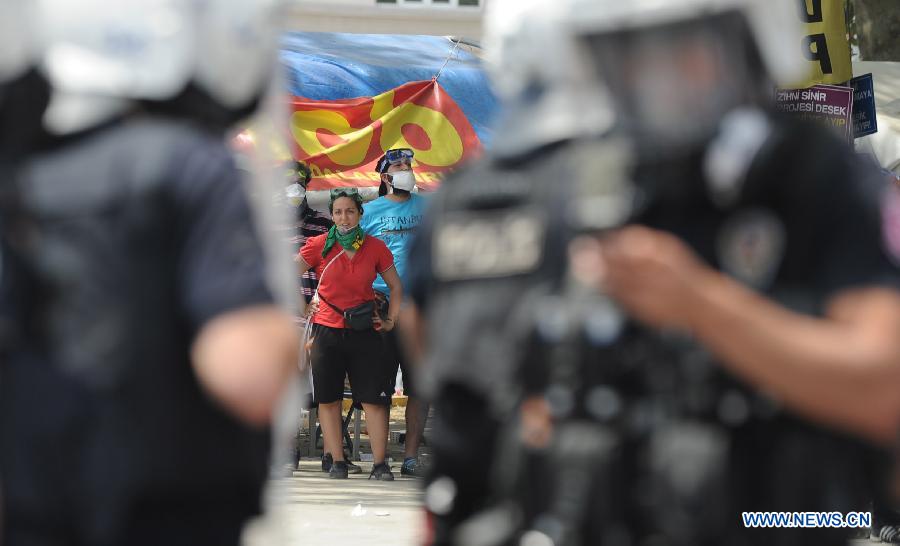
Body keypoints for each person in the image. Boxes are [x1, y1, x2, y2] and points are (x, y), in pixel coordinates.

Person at [406, 0, 900, 545]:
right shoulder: (558, 192)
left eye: (685, 44)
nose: (658, 74)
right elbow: (466, 409)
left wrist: (700, 305)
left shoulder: (804, 176)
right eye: (629, 53)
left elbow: (884, 389)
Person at [0, 2, 299, 545]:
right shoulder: (187, 166)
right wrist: (282, 339)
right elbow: (246, 376)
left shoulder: (17, 177)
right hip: (166, 511)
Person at [297, 189, 403, 480]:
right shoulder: (319, 244)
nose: (344, 217)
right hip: (326, 330)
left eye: (350, 211)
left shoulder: (375, 247)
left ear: (359, 214)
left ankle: (381, 465)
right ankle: (339, 463)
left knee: (374, 399)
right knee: (328, 399)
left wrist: (391, 320)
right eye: (338, 212)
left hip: (364, 331)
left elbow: (396, 287)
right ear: (331, 215)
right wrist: (303, 306)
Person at [359, 148, 430, 477]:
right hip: (381, 305)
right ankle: (380, 459)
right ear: (385, 176)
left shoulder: (429, 206)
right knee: (379, 385)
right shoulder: (368, 211)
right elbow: (353, 261)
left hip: (419, 306)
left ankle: (412, 456)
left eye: (409, 166)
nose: (407, 171)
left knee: (420, 385)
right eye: (400, 167)